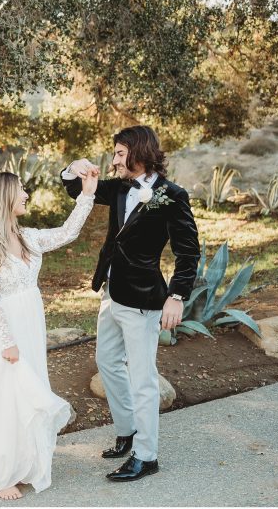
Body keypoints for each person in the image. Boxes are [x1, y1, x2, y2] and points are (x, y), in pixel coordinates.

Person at [0, 168, 99, 500]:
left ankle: (21, 464)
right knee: (2, 399)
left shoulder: (26, 236)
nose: (26, 195)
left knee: (25, 395)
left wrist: (87, 194)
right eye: (20, 189)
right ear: (4, 197)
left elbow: (68, 232)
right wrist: (6, 341)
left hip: (30, 323)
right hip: (3, 329)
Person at [61, 126, 200, 482]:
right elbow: (76, 188)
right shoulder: (120, 187)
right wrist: (74, 167)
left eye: (120, 153)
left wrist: (177, 296)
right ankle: (127, 431)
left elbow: (188, 252)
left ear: (139, 152)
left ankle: (146, 456)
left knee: (142, 378)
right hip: (112, 293)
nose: (114, 160)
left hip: (142, 299)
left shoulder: (173, 196)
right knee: (107, 361)